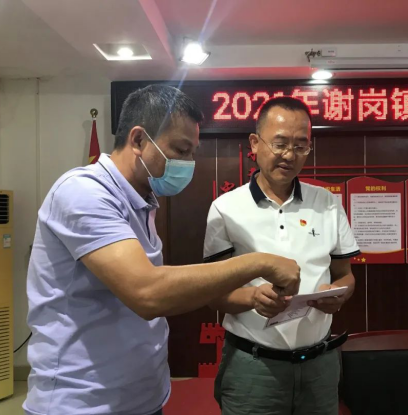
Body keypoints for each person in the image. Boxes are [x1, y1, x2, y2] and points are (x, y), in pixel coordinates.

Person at [23, 85, 300, 415]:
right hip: (83, 402)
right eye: (181, 150)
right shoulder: (84, 194)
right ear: (139, 140)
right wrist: (258, 263)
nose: (188, 162)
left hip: (141, 397)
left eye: (192, 152)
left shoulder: (142, 202)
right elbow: (148, 293)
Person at [203, 96, 360, 415]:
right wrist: (252, 298)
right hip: (254, 368)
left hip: (319, 365)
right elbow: (212, 293)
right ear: (255, 143)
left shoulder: (327, 203)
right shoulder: (225, 208)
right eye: (280, 144)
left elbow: (346, 275)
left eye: (301, 146)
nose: (289, 155)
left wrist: (338, 293)